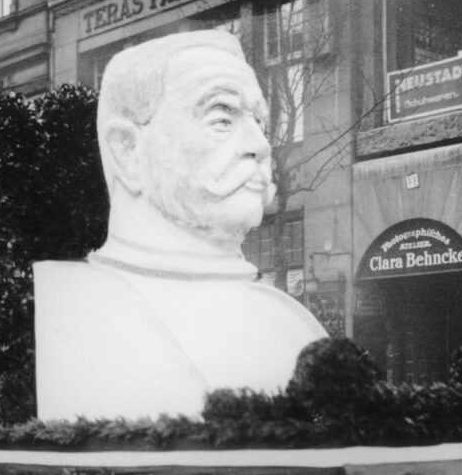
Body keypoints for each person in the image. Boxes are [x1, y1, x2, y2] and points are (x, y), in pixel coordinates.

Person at [34, 30, 327, 421]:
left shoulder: (292, 322)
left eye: (259, 121)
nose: (260, 144)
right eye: (222, 118)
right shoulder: (74, 310)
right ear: (127, 151)